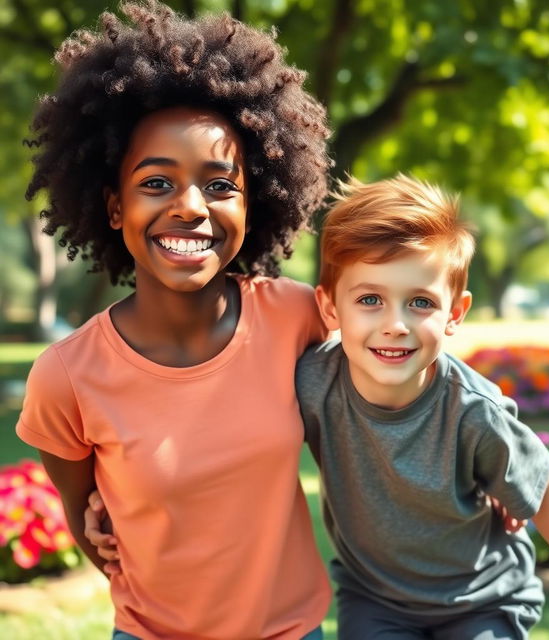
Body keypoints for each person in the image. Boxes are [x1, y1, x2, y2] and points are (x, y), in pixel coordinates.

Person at [15, 1, 334, 638]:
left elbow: (402, 391)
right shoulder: (67, 376)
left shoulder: (299, 316)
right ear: (113, 207)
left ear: (255, 200)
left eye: (220, 185)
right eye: (156, 183)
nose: (191, 207)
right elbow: (90, 528)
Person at [293, 174, 549, 639]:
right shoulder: (313, 385)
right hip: (376, 600)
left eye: (420, 302)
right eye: (370, 299)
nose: (395, 324)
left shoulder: (473, 410)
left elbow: (544, 491)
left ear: (454, 313)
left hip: (483, 599)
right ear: (331, 308)